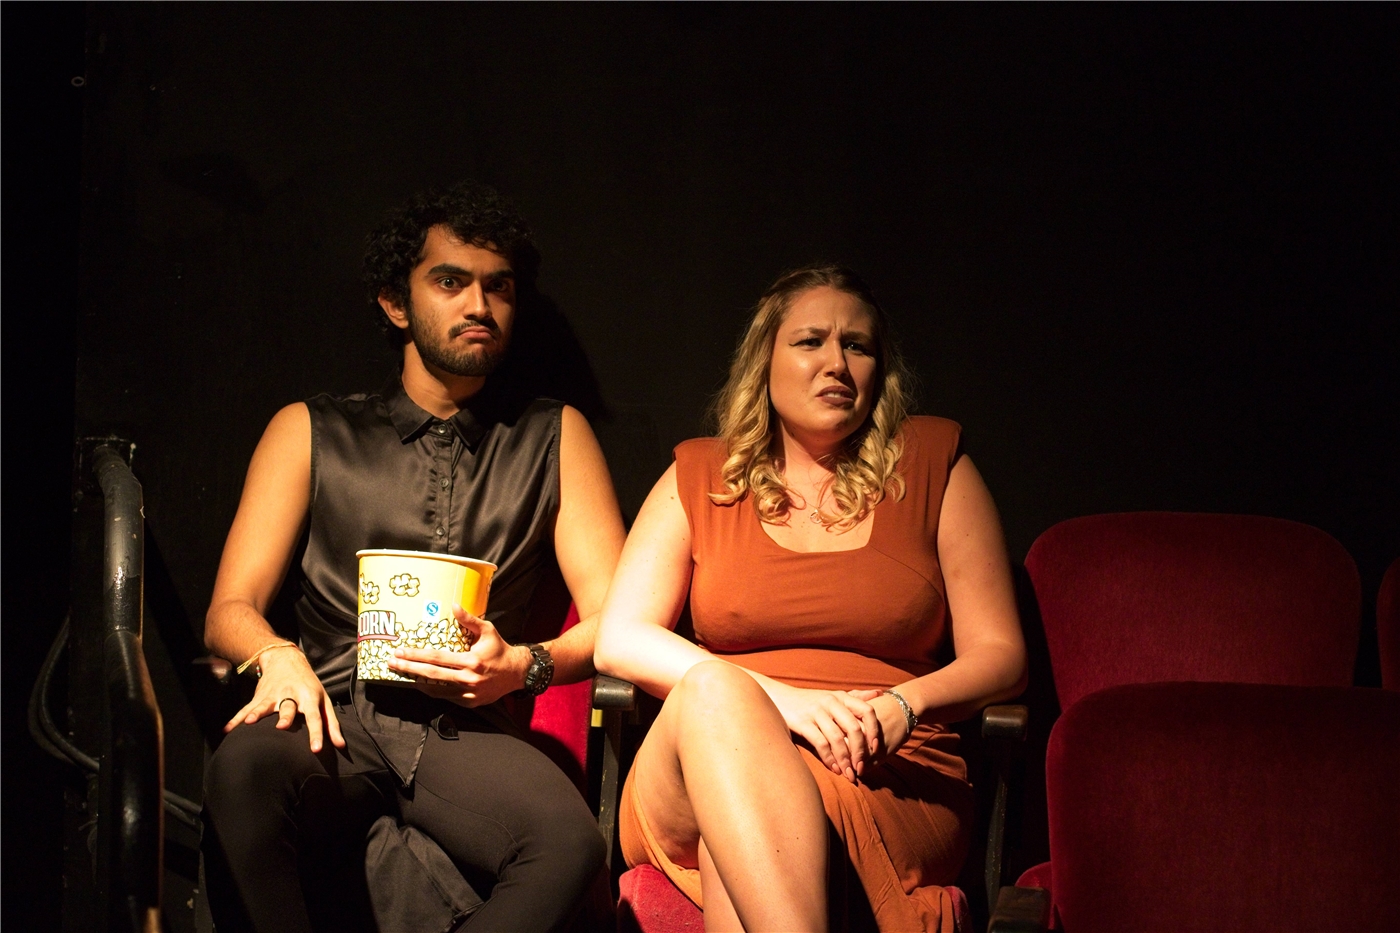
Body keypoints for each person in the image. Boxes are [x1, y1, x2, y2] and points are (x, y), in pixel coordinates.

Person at [202, 181, 626, 933]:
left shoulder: (554, 435)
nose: (480, 305)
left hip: (464, 726)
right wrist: (276, 656)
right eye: (451, 282)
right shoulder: (309, 429)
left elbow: (615, 622)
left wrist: (522, 665)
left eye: (498, 287)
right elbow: (228, 611)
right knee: (240, 772)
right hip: (331, 710)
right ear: (396, 304)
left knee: (570, 843)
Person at [594, 265, 1028, 932]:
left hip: (884, 765)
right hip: (710, 748)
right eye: (810, 341)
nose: (837, 364)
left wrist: (905, 704)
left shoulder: (935, 463)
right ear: (764, 361)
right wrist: (782, 702)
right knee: (716, 695)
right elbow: (620, 638)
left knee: (739, 839)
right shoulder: (703, 472)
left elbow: (1002, 656)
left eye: (857, 345)